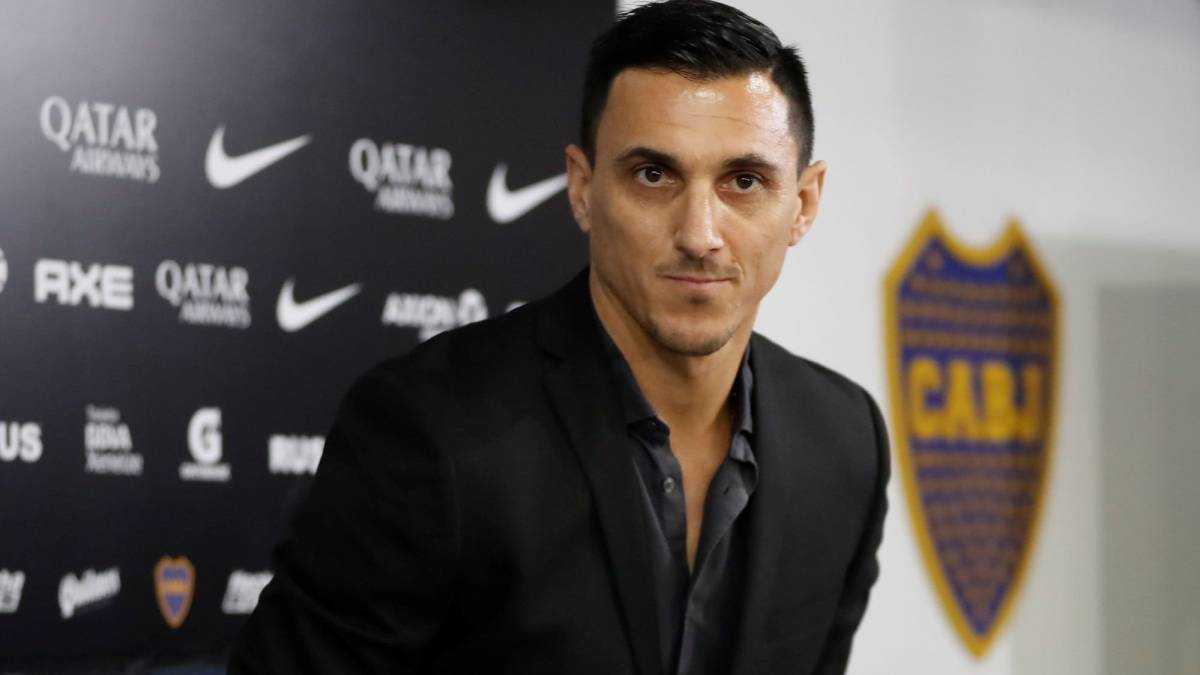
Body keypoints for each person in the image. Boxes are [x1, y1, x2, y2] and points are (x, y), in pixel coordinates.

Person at [229, 1, 889, 673]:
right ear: (581, 188)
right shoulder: (431, 429)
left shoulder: (846, 443)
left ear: (803, 203)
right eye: (653, 175)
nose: (699, 234)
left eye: (743, 181)